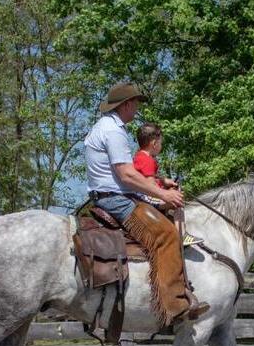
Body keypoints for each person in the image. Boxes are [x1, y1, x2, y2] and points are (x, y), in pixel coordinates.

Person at [83, 82, 208, 326]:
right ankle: (174, 306)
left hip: (111, 195)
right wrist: (164, 195)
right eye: (136, 104)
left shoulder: (105, 127)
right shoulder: (114, 132)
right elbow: (127, 175)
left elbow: (130, 173)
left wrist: (160, 182)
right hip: (115, 200)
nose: (137, 109)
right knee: (166, 234)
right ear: (127, 104)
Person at [133, 123, 203, 247]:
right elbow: (150, 185)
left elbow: (149, 177)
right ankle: (182, 235)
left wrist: (164, 181)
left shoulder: (139, 156)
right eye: (161, 143)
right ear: (154, 144)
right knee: (177, 200)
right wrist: (166, 192)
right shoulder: (148, 160)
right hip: (146, 198)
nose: (161, 146)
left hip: (141, 196)